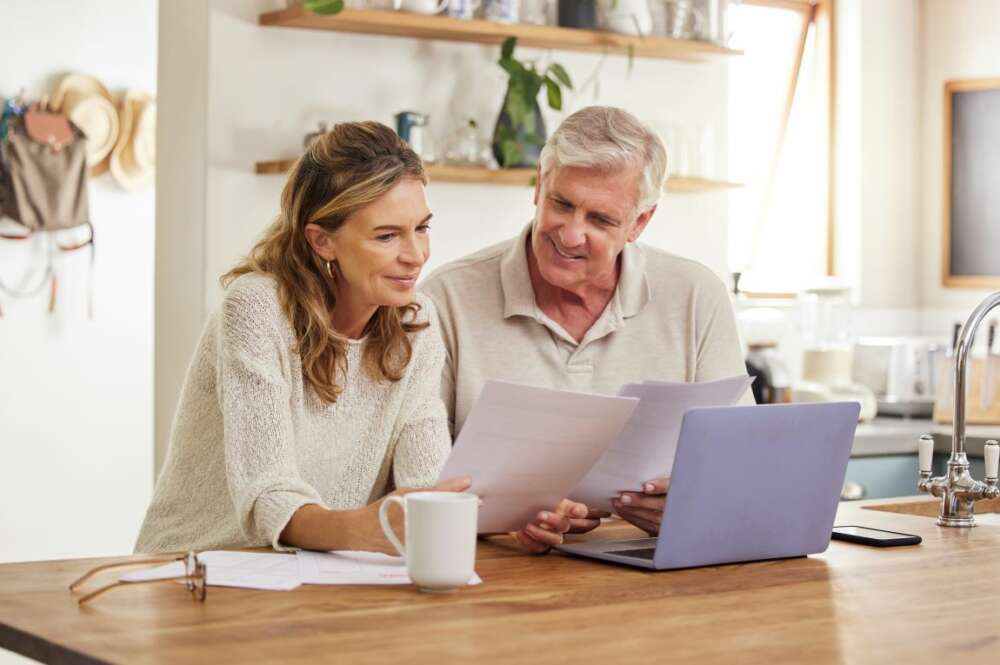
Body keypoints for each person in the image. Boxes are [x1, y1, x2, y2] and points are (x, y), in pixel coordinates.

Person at [135, 121, 574, 555]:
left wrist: (501, 521)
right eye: (387, 235)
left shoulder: (415, 321)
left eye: (421, 228)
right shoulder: (256, 309)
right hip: (193, 569)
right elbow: (267, 493)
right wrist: (364, 529)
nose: (416, 255)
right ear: (322, 240)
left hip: (318, 578)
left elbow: (429, 480)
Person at [421, 106, 750, 538]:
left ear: (639, 223)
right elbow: (421, 478)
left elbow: (740, 460)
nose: (571, 234)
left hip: (650, 567)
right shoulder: (446, 298)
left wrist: (696, 500)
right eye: (562, 203)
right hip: (496, 571)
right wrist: (501, 520)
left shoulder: (695, 295)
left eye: (600, 219)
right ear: (539, 186)